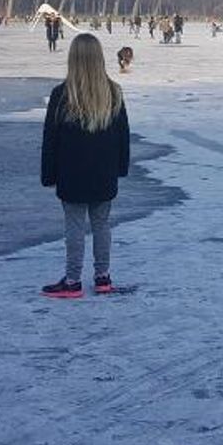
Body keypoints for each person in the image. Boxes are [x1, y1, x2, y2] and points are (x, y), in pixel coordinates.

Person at [40, 33, 130, 299]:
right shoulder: (112, 92)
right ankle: (103, 277)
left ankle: (72, 280)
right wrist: (120, 168)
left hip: (72, 173)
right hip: (103, 173)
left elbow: (51, 140)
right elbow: (123, 136)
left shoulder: (62, 94)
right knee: (102, 225)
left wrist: (49, 174)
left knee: (75, 227)